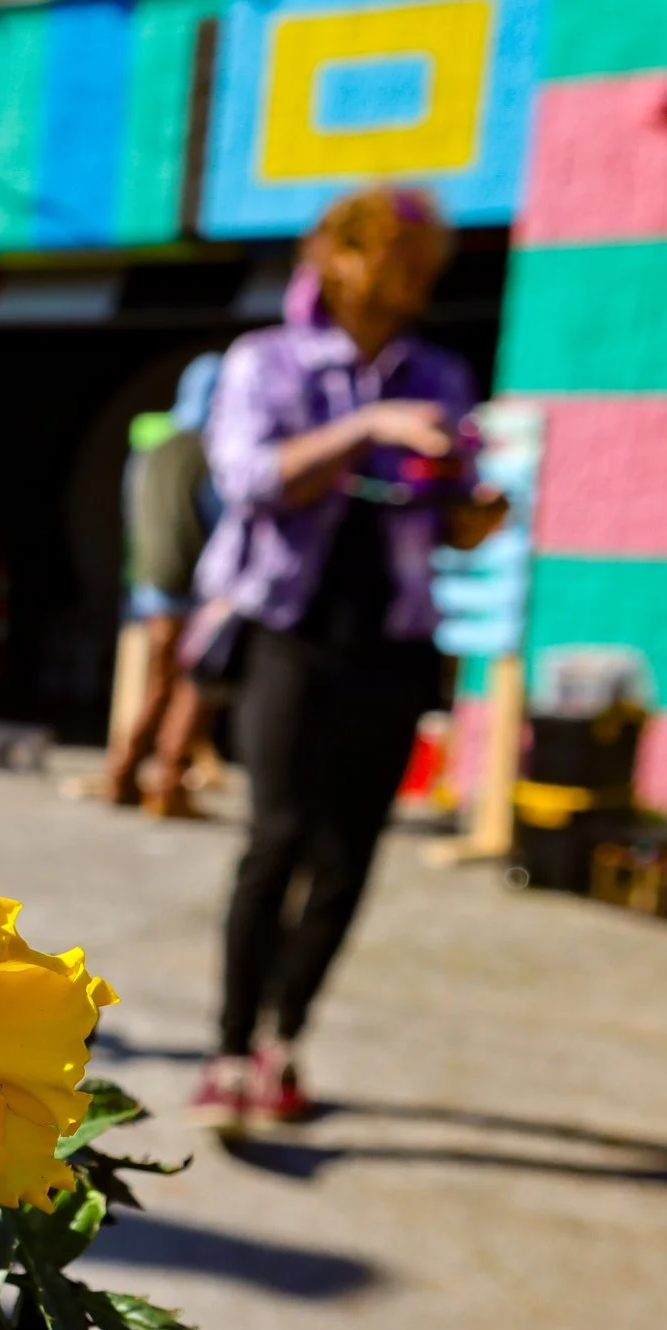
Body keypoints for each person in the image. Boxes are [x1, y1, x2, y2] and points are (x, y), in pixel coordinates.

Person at [188, 185, 508, 1124]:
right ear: (340, 256)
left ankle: (287, 1038)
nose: (415, 279)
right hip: (290, 630)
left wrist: (474, 517)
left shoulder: (442, 372)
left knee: (350, 853)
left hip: (396, 638)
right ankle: (226, 1046)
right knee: (276, 835)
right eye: (397, 256)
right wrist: (368, 427)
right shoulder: (266, 362)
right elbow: (246, 478)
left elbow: (450, 521)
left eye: (425, 262)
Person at [102, 353, 223, 816]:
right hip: (193, 584)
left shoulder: (154, 446)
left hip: (151, 580)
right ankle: (169, 784)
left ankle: (123, 772)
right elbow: (220, 520)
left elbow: (133, 512)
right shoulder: (211, 446)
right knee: (196, 684)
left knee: (158, 683)